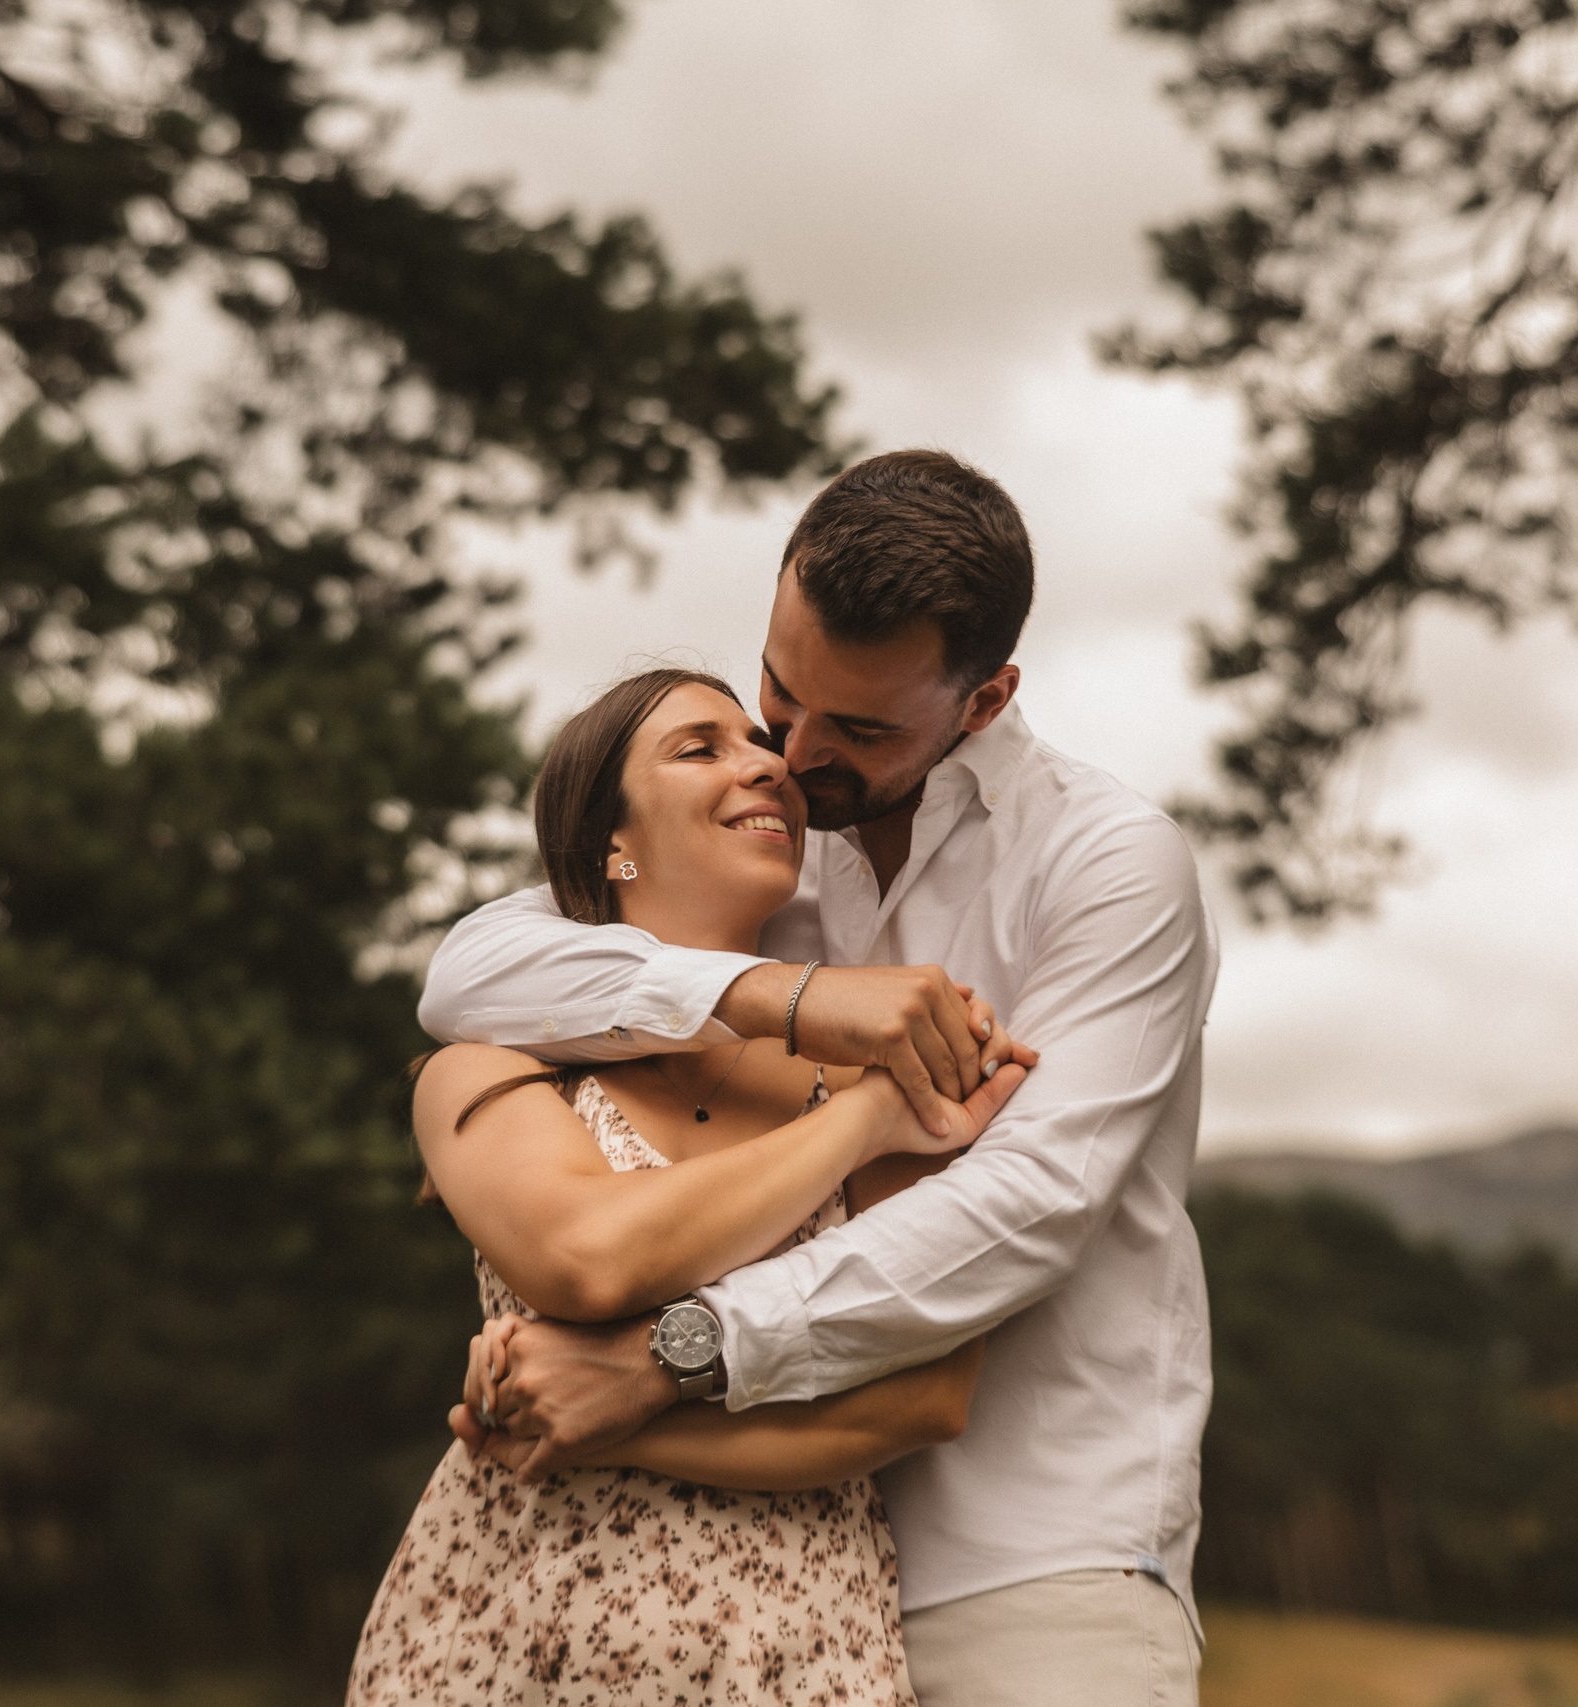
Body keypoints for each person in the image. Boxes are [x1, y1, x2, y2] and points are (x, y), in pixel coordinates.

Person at [419, 451, 1220, 1706]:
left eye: (856, 727)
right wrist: (790, 993)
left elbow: (1021, 1212)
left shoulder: (1106, 865)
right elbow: (474, 971)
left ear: (985, 697)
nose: (792, 750)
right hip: (777, 1564)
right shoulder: (774, 861)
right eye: (776, 693)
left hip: (1030, 1556)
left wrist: (668, 1359)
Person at [348, 666, 1035, 1705]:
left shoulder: (882, 1059)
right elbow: (588, 1256)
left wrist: (600, 1407)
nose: (768, 762)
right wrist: (856, 1126)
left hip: (792, 1654)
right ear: (606, 844)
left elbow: (919, 1395)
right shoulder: (492, 1069)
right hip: (511, 1638)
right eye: (699, 747)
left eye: (760, 746)